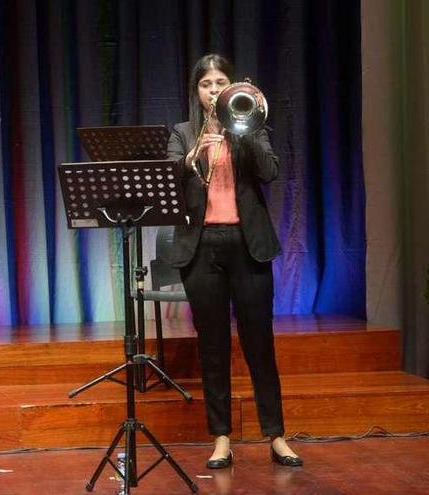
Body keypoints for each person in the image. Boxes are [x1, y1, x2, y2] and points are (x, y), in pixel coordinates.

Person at [165, 54, 303, 468]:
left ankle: (276, 436)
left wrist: (242, 134)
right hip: (202, 247)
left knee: (260, 343)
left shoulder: (250, 121)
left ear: (230, 86)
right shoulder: (183, 132)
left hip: (248, 245)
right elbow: (167, 178)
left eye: (219, 81)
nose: (212, 89)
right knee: (213, 347)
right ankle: (221, 438)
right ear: (196, 91)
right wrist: (193, 156)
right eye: (205, 84)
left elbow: (271, 172)